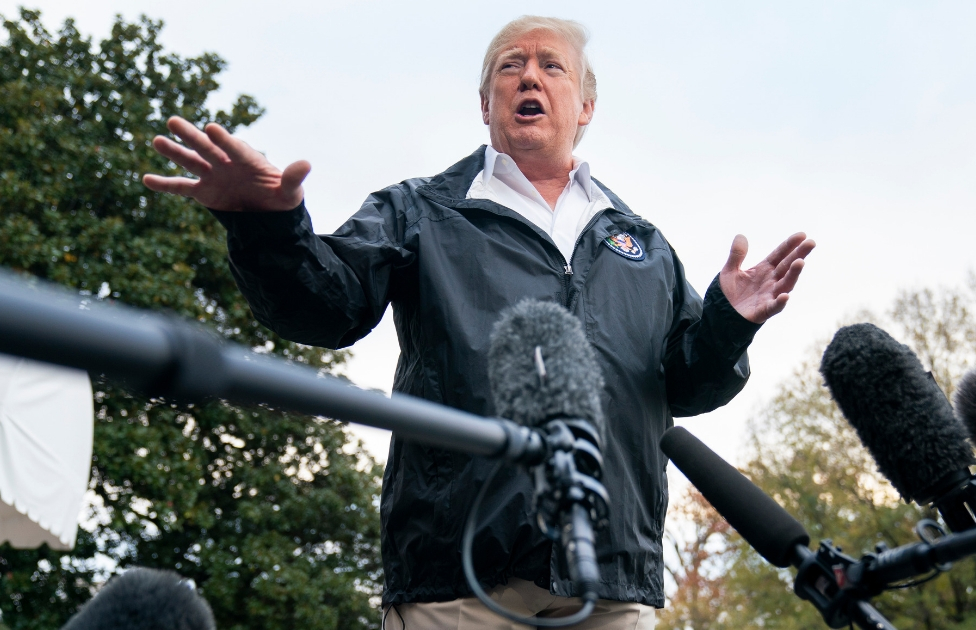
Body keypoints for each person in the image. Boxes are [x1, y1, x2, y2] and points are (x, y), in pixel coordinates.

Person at [143, 15, 814, 630]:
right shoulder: (419, 212)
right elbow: (325, 306)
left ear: (584, 107)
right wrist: (267, 229)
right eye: (509, 65)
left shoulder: (641, 245)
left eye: (551, 65)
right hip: (458, 572)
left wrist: (728, 321)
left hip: (610, 577)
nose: (528, 75)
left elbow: (688, 387)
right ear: (486, 102)